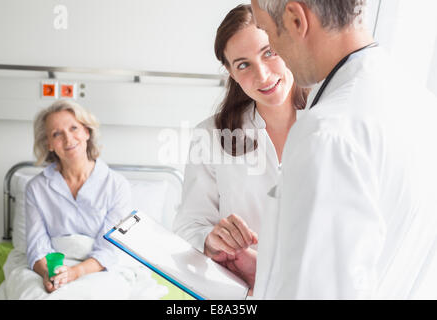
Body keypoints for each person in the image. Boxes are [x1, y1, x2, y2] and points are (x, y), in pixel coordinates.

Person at [250, 0, 437, 299]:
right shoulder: (424, 107)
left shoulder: (326, 135)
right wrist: (273, 270)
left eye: (267, 31)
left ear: (296, 19)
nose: (275, 49)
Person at [173, 4, 308, 292]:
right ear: (230, 72)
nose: (262, 75)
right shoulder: (210, 136)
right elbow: (188, 225)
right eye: (244, 64)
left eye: (269, 52)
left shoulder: (330, 123)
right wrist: (210, 239)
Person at [26, 100, 132, 293]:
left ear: (87, 132)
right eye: (57, 134)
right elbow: (37, 246)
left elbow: (110, 249)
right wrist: (49, 274)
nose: (68, 139)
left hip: (100, 269)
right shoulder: (36, 188)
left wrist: (74, 273)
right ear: (49, 144)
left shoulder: (116, 185)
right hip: (51, 268)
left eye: (74, 128)